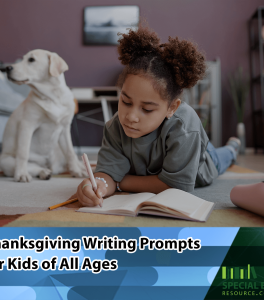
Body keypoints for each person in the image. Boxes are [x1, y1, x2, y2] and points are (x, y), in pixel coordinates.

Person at [70, 25, 240, 207]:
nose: (131, 117)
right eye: (126, 102)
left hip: (204, 161)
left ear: (171, 108)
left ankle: (232, 147)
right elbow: (107, 175)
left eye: (147, 109)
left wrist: (119, 182)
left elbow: (175, 187)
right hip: (155, 167)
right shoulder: (115, 127)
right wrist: (97, 184)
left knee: (223, 159)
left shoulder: (184, 125)